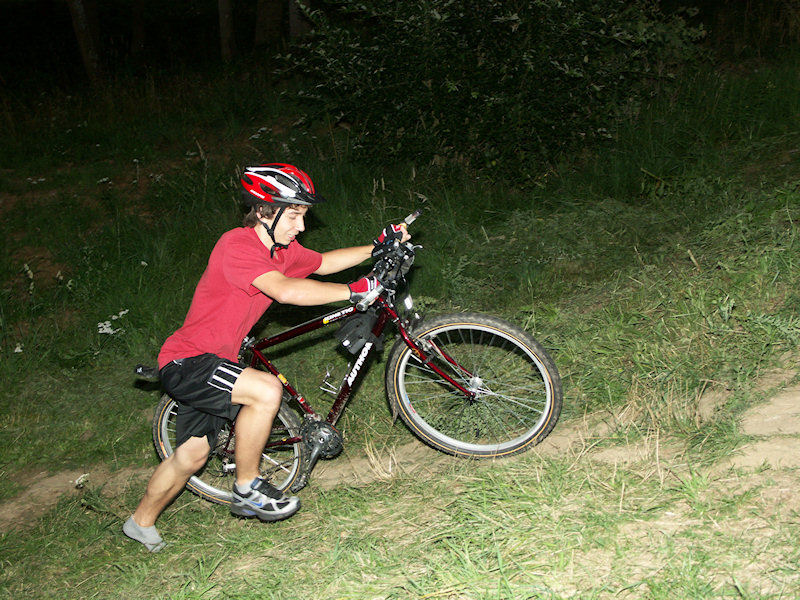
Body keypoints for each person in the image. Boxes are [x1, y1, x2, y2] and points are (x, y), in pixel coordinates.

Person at [123, 163, 409, 552]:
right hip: (190, 361)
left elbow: (323, 263)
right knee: (266, 389)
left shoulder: (280, 251)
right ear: (263, 211)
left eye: (303, 216)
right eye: (293, 216)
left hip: (216, 362)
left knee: (191, 456)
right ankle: (247, 488)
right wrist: (354, 290)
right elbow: (285, 291)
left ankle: (140, 523)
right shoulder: (236, 245)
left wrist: (377, 246)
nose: (301, 226)